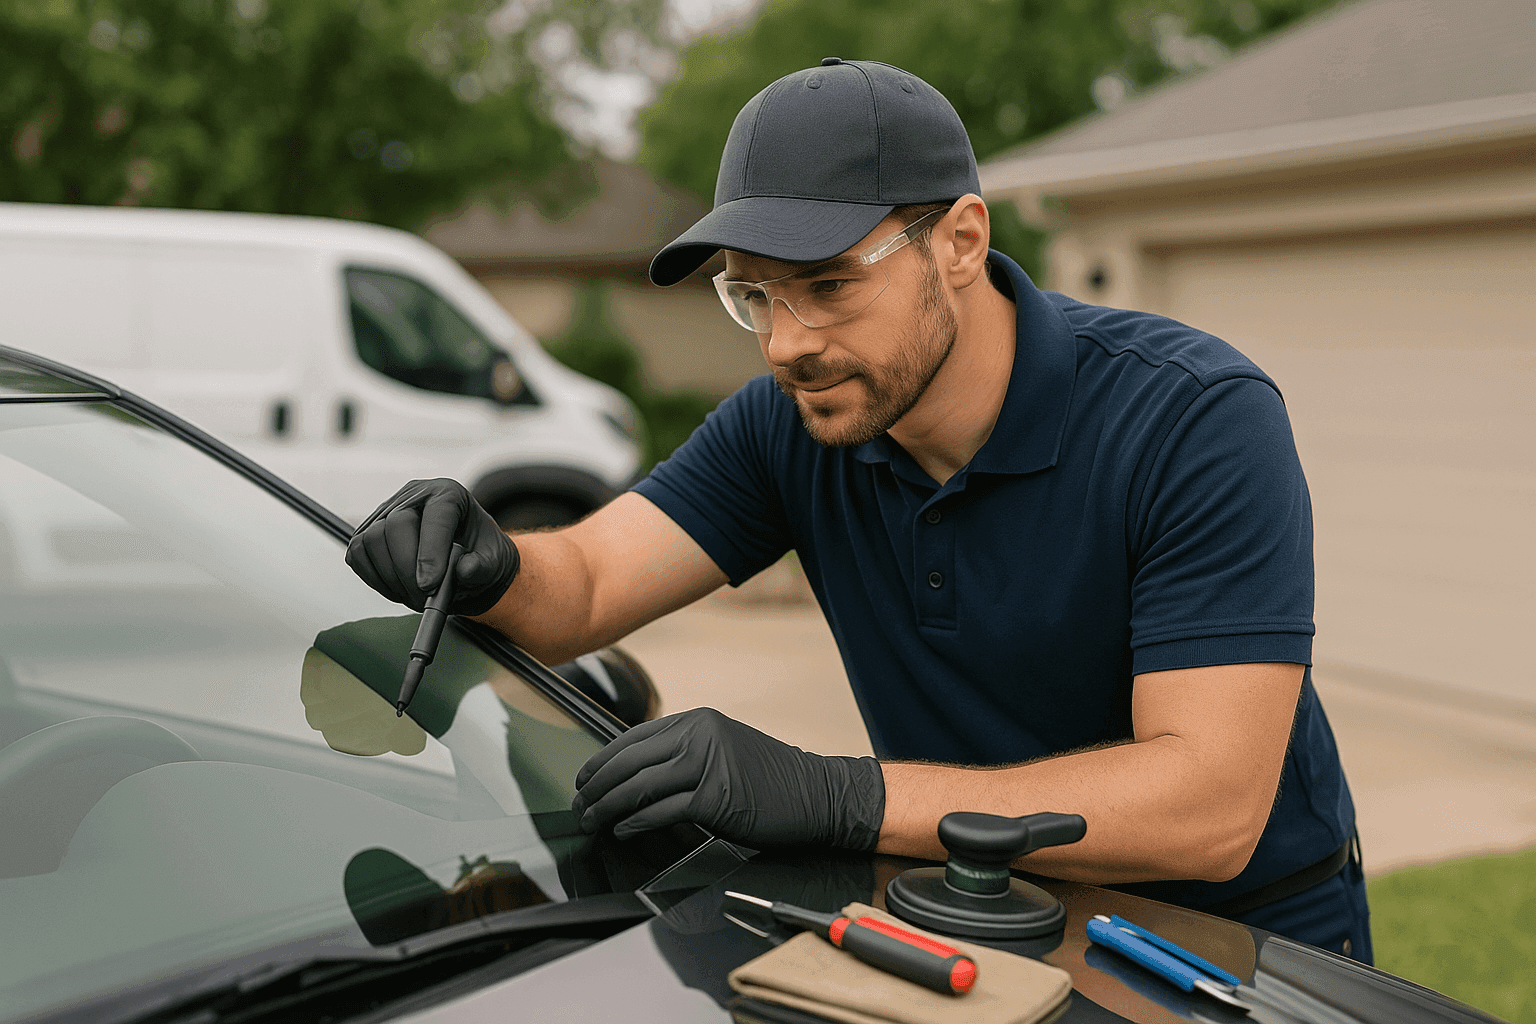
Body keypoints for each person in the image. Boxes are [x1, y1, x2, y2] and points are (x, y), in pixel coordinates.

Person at [345, 59, 1370, 961]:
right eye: (752, 295)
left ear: (961, 240)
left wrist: (833, 797)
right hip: (971, 917)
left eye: (828, 283)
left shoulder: (1192, 418)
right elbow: (592, 582)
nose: (786, 342)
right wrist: (488, 562)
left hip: (1236, 946)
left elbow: (1210, 807)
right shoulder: (792, 422)